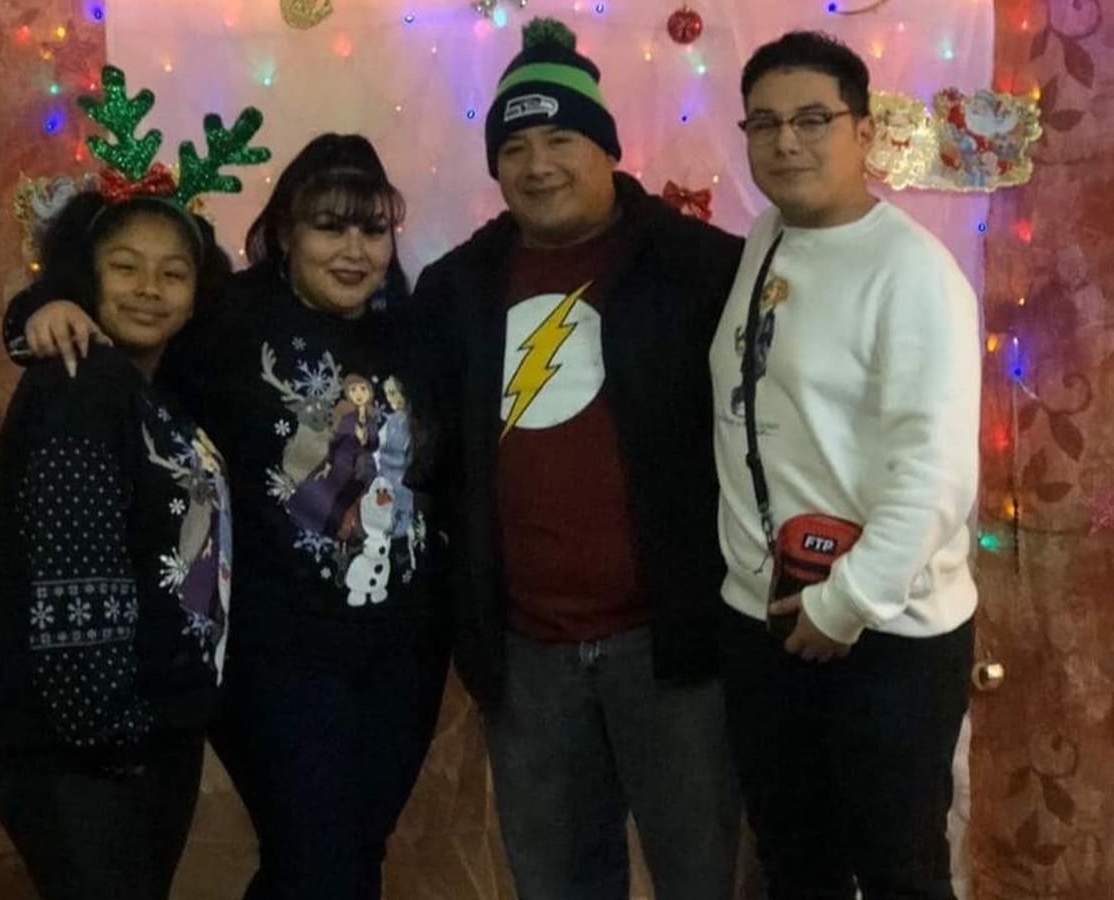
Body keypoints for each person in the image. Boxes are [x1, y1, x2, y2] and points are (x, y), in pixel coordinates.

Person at [2, 134, 450, 900]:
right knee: (322, 865)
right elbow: (133, 314)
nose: (354, 249)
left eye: (373, 229)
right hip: (273, 659)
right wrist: (46, 305)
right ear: (285, 233)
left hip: (399, 660)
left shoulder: (413, 331)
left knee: (347, 856)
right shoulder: (226, 319)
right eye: (329, 226)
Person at [412, 17, 745, 900]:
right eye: (514, 147)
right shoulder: (455, 291)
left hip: (675, 649)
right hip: (527, 659)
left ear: (607, 148)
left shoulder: (704, 269)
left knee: (702, 878)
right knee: (557, 884)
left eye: (561, 138)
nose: (538, 165)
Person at [710, 31, 979, 900]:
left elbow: (936, 475)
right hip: (766, 620)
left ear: (864, 132)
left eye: (812, 119)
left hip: (884, 632)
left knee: (899, 871)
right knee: (794, 864)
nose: (786, 142)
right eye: (764, 123)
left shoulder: (913, 273)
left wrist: (845, 604)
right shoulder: (765, 236)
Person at [0, 188, 234, 900]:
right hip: (85, 748)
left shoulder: (157, 394)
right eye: (125, 267)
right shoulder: (81, 386)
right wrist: (113, 733)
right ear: (87, 276)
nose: (149, 289)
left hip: (146, 732)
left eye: (173, 273)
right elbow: (72, 572)